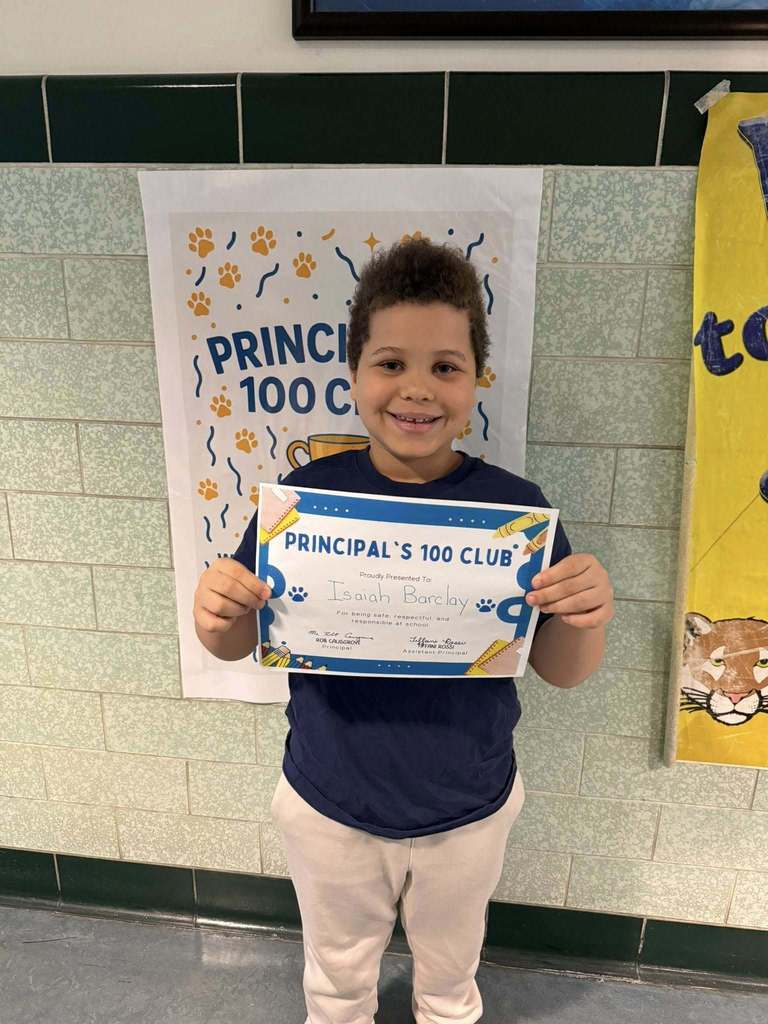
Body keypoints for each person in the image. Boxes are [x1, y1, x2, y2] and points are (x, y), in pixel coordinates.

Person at [193, 238, 614, 1024]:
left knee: (452, 981)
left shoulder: (513, 512)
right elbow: (234, 639)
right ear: (353, 373)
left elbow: (561, 667)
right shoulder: (302, 501)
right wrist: (214, 610)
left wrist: (586, 613)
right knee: (336, 981)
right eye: (391, 364)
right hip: (328, 798)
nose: (417, 390)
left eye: (445, 368)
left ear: (476, 379)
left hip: (469, 805)